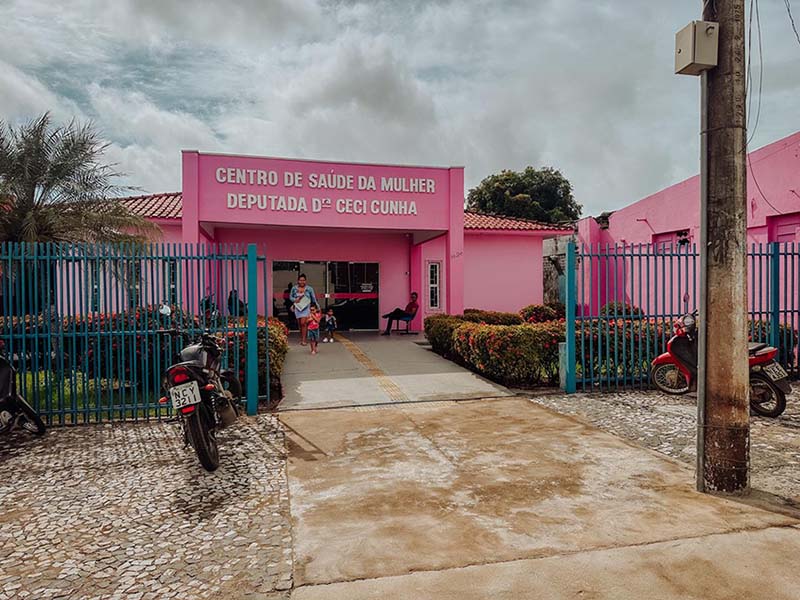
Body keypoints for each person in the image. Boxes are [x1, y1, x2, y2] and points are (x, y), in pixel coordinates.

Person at [290, 273, 318, 345]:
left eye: (303, 280)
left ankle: (304, 340)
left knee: (303, 323)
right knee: (300, 324)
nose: (302, 282)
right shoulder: (294, 288)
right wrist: (295, 300)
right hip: (298, 307)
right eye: (300, 280)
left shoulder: (309, 289)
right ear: (298, 281)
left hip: (306, 308)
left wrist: (317, 307)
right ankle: (302, 337)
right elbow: (291, 297)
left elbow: (313, 298)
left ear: (305, 281)